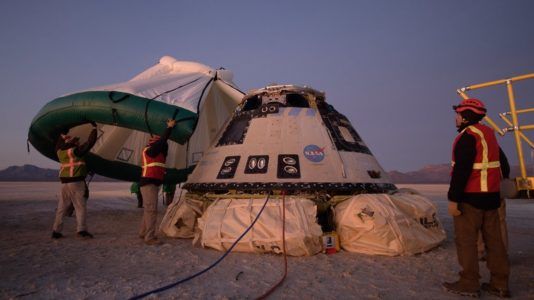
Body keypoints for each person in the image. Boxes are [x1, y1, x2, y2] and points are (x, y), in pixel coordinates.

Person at [442, 98, 511, 298]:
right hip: (492, 199)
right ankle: (500, 284)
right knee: (495, 242)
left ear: (466, 117)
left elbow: (461, 171)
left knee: (467, 242)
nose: (455, 118)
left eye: (458, 114)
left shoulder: (467, 138)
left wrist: (453, 199)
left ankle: (469, 283)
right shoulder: (489, 135)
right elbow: (503, 164)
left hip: (470, 199)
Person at [52, 122, 98, 240]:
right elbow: (90, 143)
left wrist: (62, 134)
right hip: (76, 183)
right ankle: (81, 230)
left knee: (62, 207)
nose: (78, 143)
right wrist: (94, 128)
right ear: (72, 143)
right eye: (76, 141)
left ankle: (56, 231)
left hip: (64, 184)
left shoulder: (60, 153)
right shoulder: (75, 151)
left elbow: (58, 144)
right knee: (80, 207)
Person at [138, 119, 176, 245]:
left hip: (152, 183)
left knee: (148, 209)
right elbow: (162, 143)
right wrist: (169, 128)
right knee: (151, 210)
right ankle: (149, 237)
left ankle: (143, 232)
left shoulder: (157, 151)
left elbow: (164, 146)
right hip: (148, 183)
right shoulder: (150, 150)